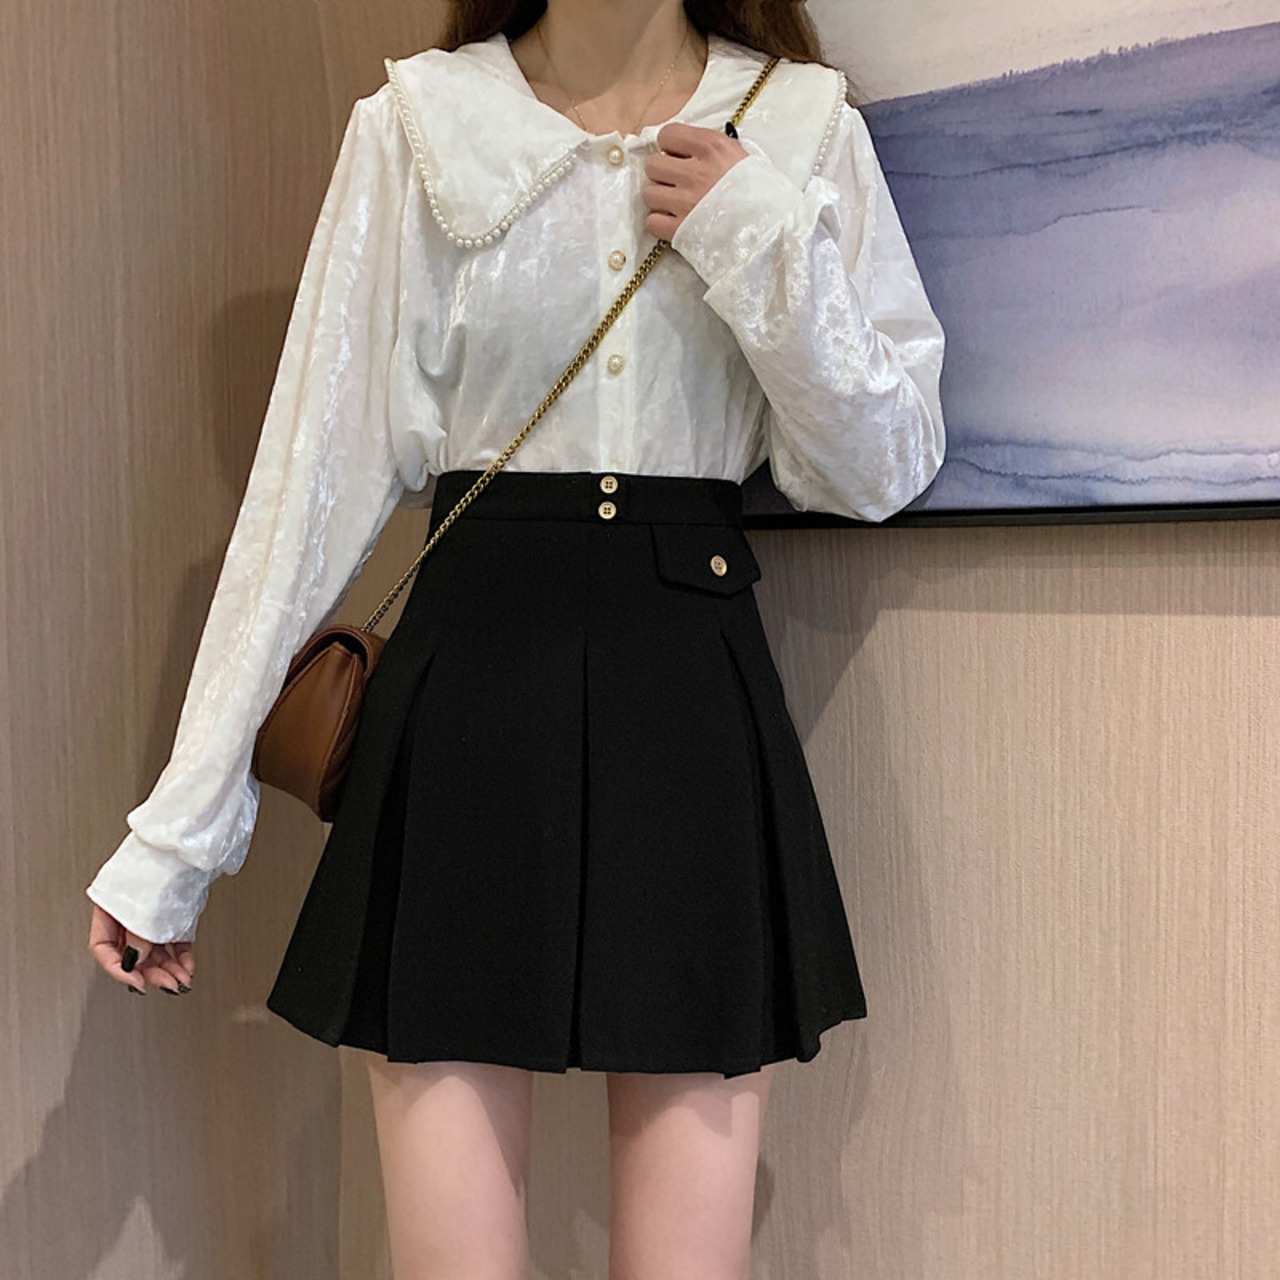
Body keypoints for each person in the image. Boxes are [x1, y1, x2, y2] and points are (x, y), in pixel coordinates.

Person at [86, 0, 946, 1275]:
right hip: (467, 694)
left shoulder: (799, 126)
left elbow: (881, 466)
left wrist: (758, 236)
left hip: (688, 696)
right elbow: (304, 490)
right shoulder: (419, 127)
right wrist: (176, 839)